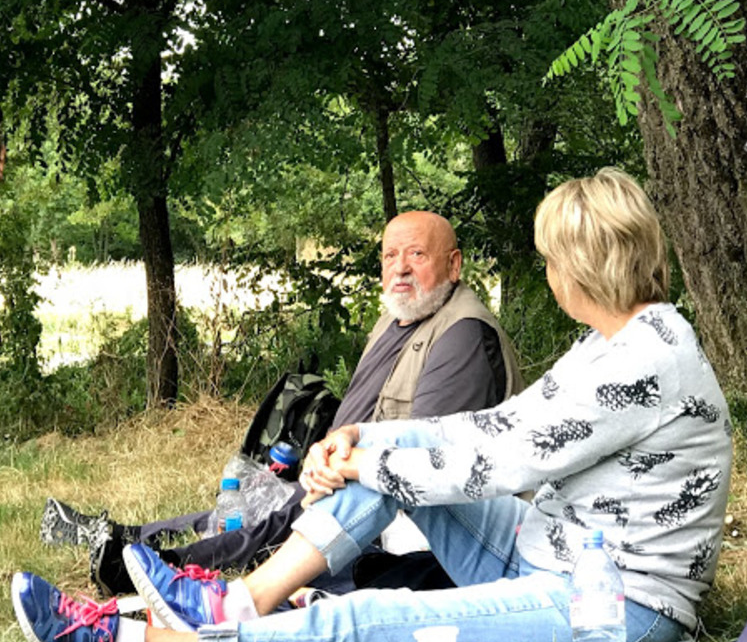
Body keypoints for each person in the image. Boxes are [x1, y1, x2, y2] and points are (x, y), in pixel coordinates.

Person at [13, 168, 732, 642]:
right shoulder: (613, 341)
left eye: (550, 260)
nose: (548, 275)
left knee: (388, 619)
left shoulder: (644, 360)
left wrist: (370, 463)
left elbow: (506, 461)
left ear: (578, 267)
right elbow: (500, 425)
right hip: (552, 548)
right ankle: (238, 600)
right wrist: (362, 441)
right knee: (396, 443)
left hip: (620, 600)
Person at [42, 210, 524, 596]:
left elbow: (422, 454)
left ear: (454, 265)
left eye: (417, 254)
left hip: (392, 505)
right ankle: (131, 539)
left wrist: (336, 470)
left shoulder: (462, 334)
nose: (400, 268)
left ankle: (169, 566)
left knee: (276, 521)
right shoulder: (396, 318)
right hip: (342, 471)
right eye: (390, 255)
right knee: (255, 500)